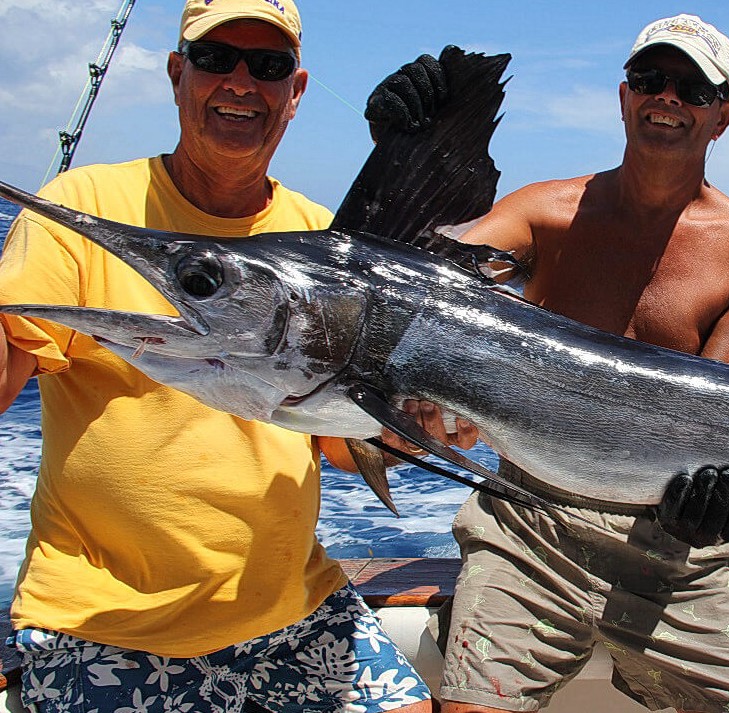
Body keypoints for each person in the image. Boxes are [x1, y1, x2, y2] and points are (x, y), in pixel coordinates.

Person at [0, 1, 461, 711]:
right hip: (102, 619)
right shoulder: (81, 204)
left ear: (295, 92)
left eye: (268, 66)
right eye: (217, 60)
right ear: (178, 74)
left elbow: (344, 444)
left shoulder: (321, 237)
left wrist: (416, 426)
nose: (241, 82)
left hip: (291, 609)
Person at [367, 13, 729, 713]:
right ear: (623, 96)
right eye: (650, 80)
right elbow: (420, 285)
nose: (667, 98)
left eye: (693, 88)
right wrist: (402, 157)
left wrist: (711, 502)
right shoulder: (543, 215)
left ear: (724, 116)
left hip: (678, 556)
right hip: (529, 528)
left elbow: (714, 431)